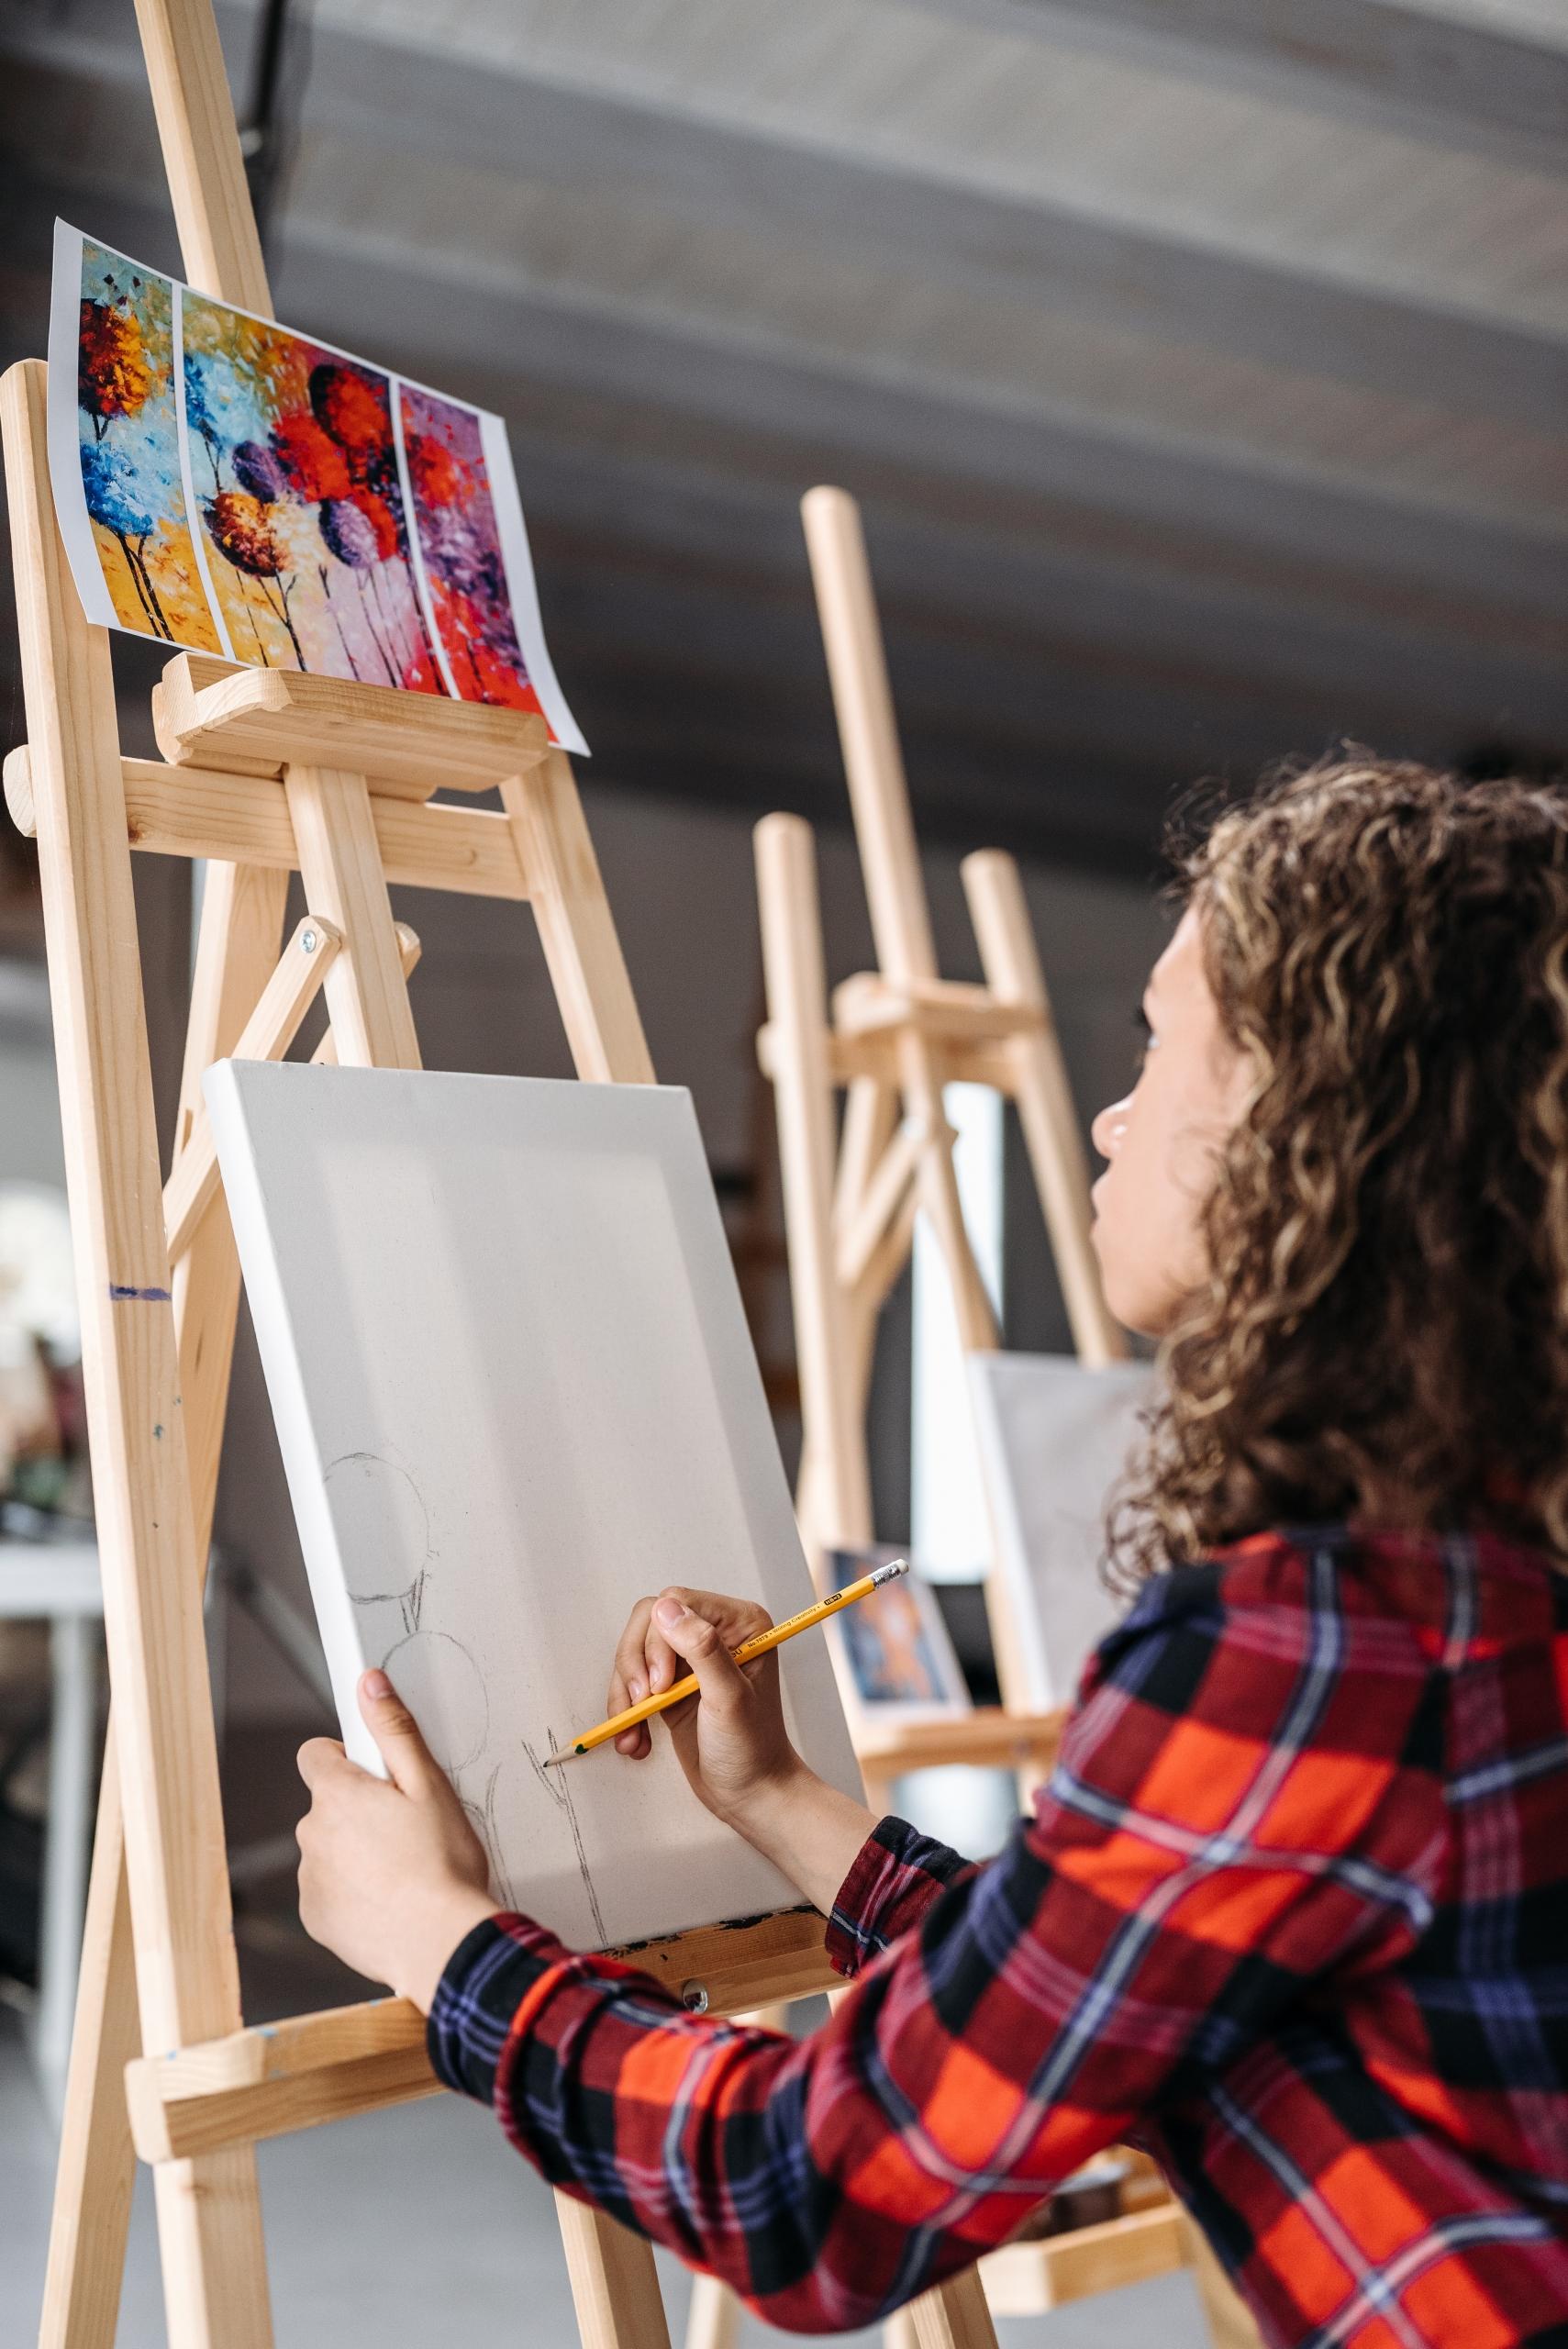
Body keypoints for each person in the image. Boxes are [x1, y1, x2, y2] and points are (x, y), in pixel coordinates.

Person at [294, 758, 1568, 2345]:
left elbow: (807, 2192)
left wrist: (437, 1936)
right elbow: (1086, 2005)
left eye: (1159, 1045)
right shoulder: (1488, 1576)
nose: (1110, 1112)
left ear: (1307, 1123)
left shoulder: (1322, 1641)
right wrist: (777, 1802)